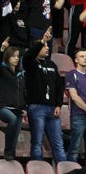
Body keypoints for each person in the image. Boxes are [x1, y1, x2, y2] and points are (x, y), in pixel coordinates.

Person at [23, 29, 66, 162]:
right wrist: (42, 41)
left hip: (52, 109)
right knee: (37, 143)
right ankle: (38, 170)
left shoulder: (52, 64)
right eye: (44, 46)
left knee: (59, 145)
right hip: (36, 107)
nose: (47, 48)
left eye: (48, 46)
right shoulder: (30, 64)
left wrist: (59, 104)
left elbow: (60, 86)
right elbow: (27, 57)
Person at [65, 48, 86, 164]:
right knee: (74, 148)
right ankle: (72, 173)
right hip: (78, 115)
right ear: (76, 60)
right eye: (82, 56)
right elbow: (74, 97)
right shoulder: (71, 74)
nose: (85, 58)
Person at [0, 41, 25, 161]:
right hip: (3, 106)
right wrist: (2, 49)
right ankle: (7, 150)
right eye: (13, 56)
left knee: (16, 133)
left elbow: (22, 92)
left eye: (17, 56)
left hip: (18, 108)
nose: (16, 58)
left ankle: (10, 153)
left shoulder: (20, 74)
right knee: (12, 119)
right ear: (7, 57)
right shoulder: (3, 70)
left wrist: (24, 108)